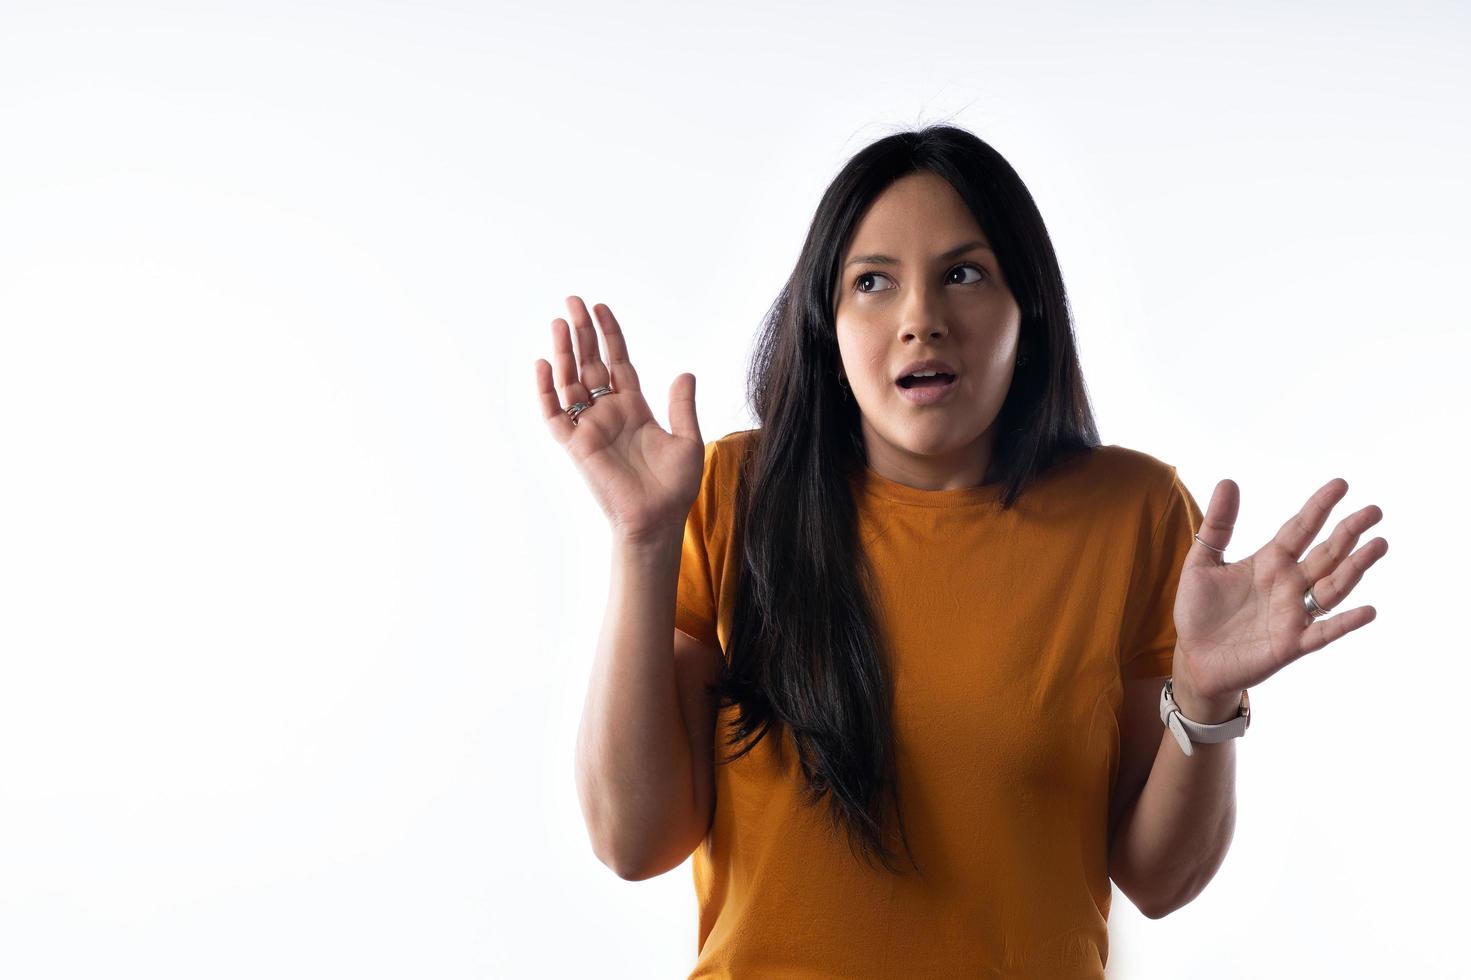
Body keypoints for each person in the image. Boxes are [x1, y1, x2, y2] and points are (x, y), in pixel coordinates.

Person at [535, 125, 1388, 978]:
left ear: (1029, 308)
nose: (920, 320)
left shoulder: (1132, 514)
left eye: (963, 274)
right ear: (825, 326)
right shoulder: (732, 493)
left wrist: (1205, 696)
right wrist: (642, 539)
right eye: (872, 282)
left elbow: (1162, 881)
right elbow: (632, 841)